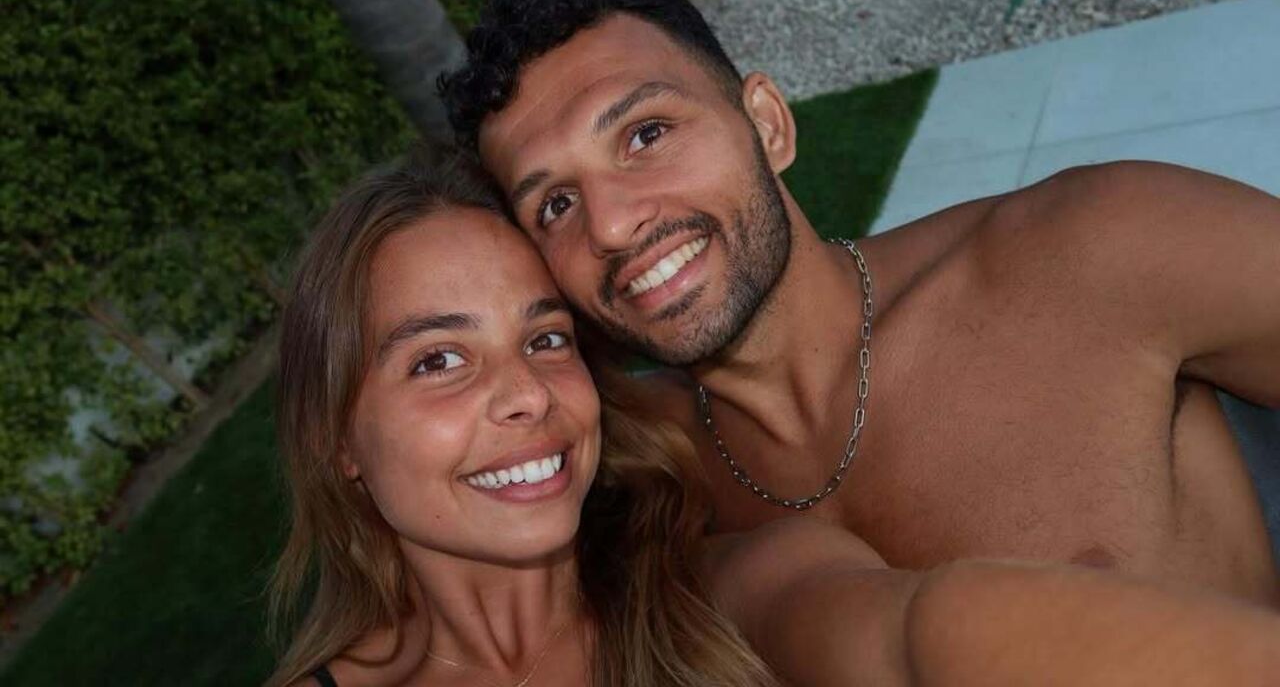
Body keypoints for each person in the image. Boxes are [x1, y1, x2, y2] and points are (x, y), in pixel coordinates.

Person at [266, 148, 1280, 687]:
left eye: (545, 338)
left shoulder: (715, 590)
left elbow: (920, 637)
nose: (525, 393)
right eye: (438, 360)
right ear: (336, 440)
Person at [439, 0, 1280, 605]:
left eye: (646, 133)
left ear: (767, 124)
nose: (614, 225)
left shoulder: (1096, 250)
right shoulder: (631, 473)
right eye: (555, 204)